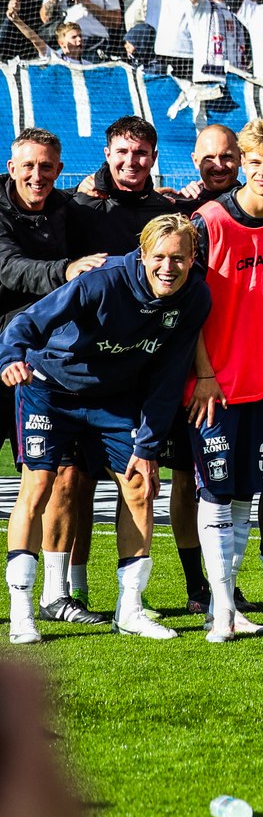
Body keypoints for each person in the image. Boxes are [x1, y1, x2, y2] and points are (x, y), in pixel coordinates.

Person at [3, 214, 209, 645]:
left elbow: (169, 377)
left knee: (139, 485)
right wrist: (12, 357)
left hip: (114, 400)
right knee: (39, 484)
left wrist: (149, 446)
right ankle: (22, 612)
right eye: (159, 257)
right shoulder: (102, 280)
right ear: (142, 254)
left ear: (193, 259)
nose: (168, 268)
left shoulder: (194, 299)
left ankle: (130, 609)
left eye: (179, 258)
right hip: (49, 389)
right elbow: (29, 321)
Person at [185, 119, 263, 637]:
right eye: (253, 162)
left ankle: (224, 608)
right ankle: (220, 613)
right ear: (241, 162)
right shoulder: (209, 220)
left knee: (242, 498)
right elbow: (187, 310)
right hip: (215, 386)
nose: (262, 171)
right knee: (214, 492)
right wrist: (205, 374)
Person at [0, 129, 105, 631]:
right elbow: (9, 268)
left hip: (44, 369)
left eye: (47, 167)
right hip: (3, 358)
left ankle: (55, 595)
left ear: (59, 170)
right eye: (28, 166)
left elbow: (117, 219)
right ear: (11, 165)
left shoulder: (71, 208)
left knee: (58, 477)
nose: (37, 176)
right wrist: (66, 270)